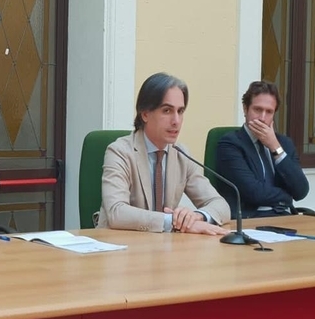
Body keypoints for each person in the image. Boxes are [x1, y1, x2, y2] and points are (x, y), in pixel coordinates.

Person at [97, 72, 230, 234]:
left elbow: (221, 205)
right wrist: (172, 222)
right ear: (145, 114)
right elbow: (116, 212)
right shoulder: (120, 152)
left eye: (180, 111)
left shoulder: (182, 154)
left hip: (164, 245)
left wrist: (196, 217)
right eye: (167, 111)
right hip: (120, 244)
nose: (176, 121)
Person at [215, 80, 309, 217]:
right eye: (257, 110)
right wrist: (287, 197)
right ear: (245, 109)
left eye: (269, 112)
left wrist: (275, 147)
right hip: (251, 220)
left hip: (284, 217)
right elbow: (254, 193)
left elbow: (301, 191)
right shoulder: (230, 144)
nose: (262, 118)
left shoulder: (284, 144)